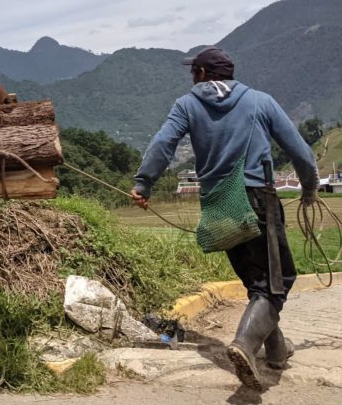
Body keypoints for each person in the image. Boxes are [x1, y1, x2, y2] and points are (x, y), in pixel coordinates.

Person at [130, 46, 319, 391]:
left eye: (193, 72)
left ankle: (276, 349)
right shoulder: (261, 101)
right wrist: (308, 188)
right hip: (258, 198)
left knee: (256, 281)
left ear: (203, 74)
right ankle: (245, 346)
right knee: (278, 281)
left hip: (218, 204)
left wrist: (143, 183)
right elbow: (300, 152)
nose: (191, 77)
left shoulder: (186, 105)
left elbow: (163, 143)